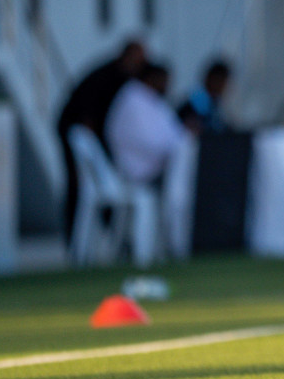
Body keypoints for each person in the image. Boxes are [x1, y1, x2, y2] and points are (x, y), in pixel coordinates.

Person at [56, 39, 147, 237]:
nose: (141, 63)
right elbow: (86, 113)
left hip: (95, 134)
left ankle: (110, 234)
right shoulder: (107, 75)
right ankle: (75, 237)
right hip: (77, 130)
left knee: (104, 185)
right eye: (139, 58)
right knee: (79, 185)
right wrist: (94, 148)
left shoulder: (127, 78)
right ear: (126, 56)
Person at [105, 63, 187, 185]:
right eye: (163, 81)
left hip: (159, 166)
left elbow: (175, 131)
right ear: (152, 78)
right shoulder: (133, 97)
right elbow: (148, 139)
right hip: (134, 169)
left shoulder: (153, 99)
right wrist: (173, 146)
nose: (167, 86)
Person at [177, 58, 233, 135]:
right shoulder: (194, 103)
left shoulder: (214, 103)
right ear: (210, 78)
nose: (224, 87)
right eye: (222, 81)